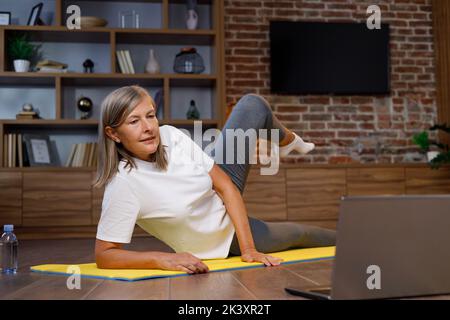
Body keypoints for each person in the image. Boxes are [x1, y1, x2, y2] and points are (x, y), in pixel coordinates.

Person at [94, 85, 336, 274]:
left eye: (150, 115)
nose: (148, 127)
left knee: (252, 104)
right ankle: (353, 239)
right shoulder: (123, 185)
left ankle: (288, 141)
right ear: (113, 133)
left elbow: (225, 184)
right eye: (134, 121)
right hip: (222, 237)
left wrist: (250, 250)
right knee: (300, 234)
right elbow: (105, 254)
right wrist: (163, 258)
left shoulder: (169, 135)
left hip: (216, 185)